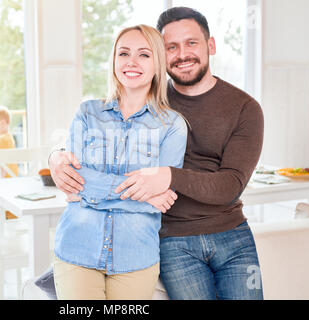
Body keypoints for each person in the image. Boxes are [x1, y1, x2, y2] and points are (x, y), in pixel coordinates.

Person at [49, 7, 264, 300]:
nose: (182, 54)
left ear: (210, 45)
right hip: (173, 237)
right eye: (171, 47)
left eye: (192, 43)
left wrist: (166, 177)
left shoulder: (241, 108)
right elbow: (82, 165)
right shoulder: (130, 100)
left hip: (230, 232)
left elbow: (230, 186)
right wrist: (57, 155)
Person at [52, 24, 188, 300]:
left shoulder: (173, 126)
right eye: (123, 53)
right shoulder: (87, 113)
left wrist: (96, 188)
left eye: (144, 55)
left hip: (135, 257)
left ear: (157, 64)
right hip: (77, 249)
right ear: (113, 61)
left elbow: (164, 195)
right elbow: (77, 185)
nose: (131, 62)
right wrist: (143, 196)